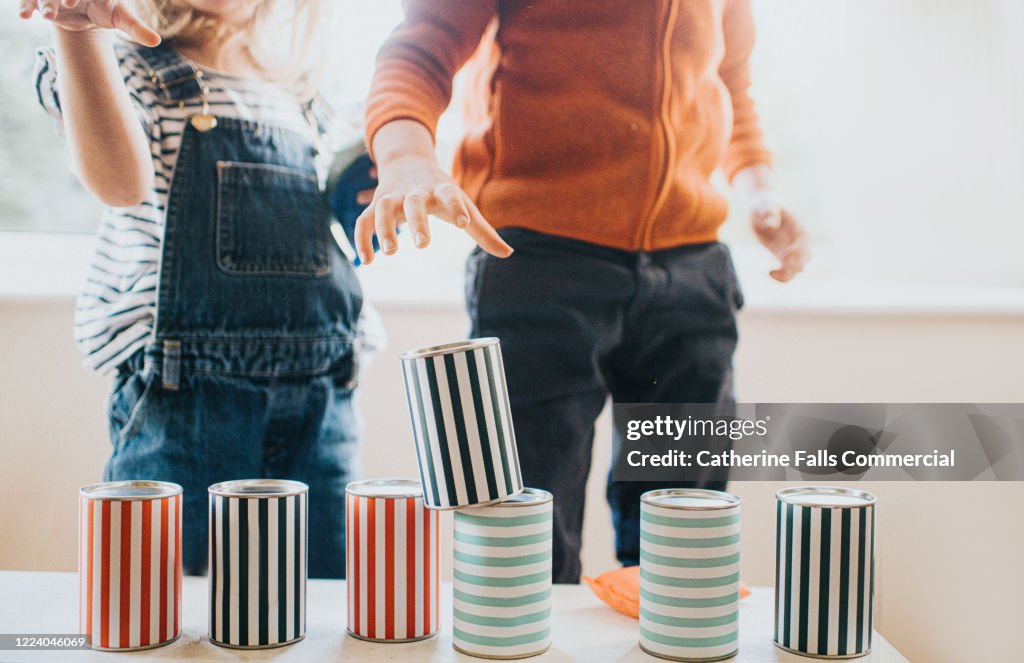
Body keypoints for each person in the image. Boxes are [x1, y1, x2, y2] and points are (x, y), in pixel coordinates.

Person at [358, 0, 809, 583]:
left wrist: (758, 190)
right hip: (540, 266)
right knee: (524, 530)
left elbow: (728, 81)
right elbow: (420, 48)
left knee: (684, 543)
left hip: (693, 270)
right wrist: (406, 158)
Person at [22, 0, 364, 578]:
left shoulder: (301, 92)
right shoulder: (130, 65)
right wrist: (78, 36)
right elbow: (120, 184)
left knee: (321, 605)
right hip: (184, 399)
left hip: (319, 401)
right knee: (167, 607)